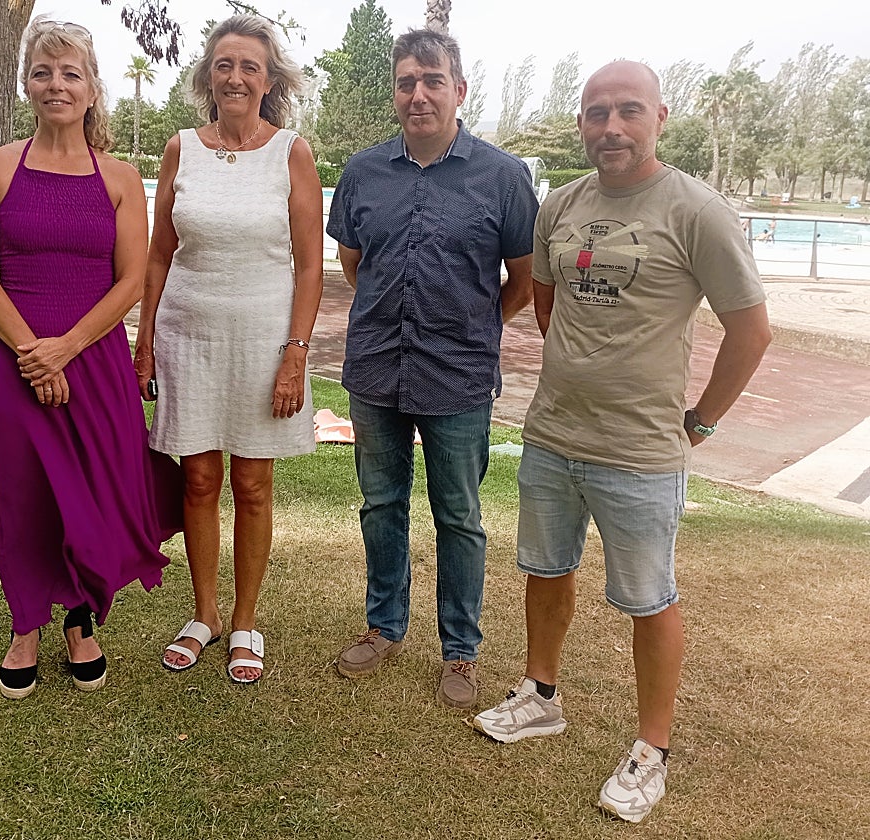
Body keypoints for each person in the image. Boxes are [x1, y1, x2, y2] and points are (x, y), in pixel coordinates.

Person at [472, 61, 772, 823]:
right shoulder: (562, 205)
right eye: (596, 112)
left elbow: (752, 328)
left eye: (628, 111)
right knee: (546, 569)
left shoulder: (697, 210)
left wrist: (700, 420)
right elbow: (547, 305)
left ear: (660, 117)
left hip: (642, 450)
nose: (611, 126)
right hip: (552, 434)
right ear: (581, 122)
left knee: (649, 598)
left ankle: (651, 750)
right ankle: (540, 694)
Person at [0, 16, 182, 700]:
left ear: (92, 90)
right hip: (13, 362)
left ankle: (82, 619)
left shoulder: (118, 177)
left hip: (94, 364)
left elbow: (131, 282)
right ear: (27, 84)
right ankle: (25, 623)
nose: (56, 85)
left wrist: (66, 349)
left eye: (70, 73)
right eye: (43, 72)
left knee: (91, 494)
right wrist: (33, 353)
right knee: (24, 496)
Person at [326, 28, 539, 710]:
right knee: (381, 505)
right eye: (406, 82)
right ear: (395, 92)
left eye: (432, 80)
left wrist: (473, 325)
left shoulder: (502, 176)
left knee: (459, 515)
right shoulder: (363, 173)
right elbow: (353, 263)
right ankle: (384, 627)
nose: (418, 94)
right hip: (376, 369)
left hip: (459, 377)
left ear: (458, 90)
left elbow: (524, 278)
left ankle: (460, 651)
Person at [136, 15, 323, 684]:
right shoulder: (179, 148)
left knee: (251, 481)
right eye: (225, 65)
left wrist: (296, 353)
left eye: (250, 66)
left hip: (265, 339)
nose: (237, 76)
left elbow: (309, 267)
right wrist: (146, 339)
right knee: (199, 478)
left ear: (269, 79)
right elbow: (159, 255)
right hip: (189, 333)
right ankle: (206, 613)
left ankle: (246, 620)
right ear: (207, 77)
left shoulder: (291, 152)